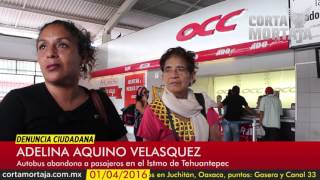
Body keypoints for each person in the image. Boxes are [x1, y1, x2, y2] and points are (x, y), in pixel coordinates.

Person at [0, 20, 127, 141]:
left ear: (83, 56)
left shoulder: (100, 102)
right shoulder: (16, 102)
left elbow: (124, 158)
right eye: (42, 46)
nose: (50, 53)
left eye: (62, 45)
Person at [137, 47, 221, 141]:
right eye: (168, 70)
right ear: (163, 77)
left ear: (192, 76)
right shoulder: (154, 111)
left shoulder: (204, 104)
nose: (173, 75)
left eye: (180, 69)